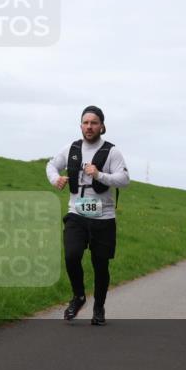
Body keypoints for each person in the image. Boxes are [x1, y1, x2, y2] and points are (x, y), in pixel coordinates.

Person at [46, 106, 130, 326]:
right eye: (85, 122)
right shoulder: (72, 148)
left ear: (102, 126)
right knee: (71, 255)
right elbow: (51, 165)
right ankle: (79, 296)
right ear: (81, 125)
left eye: (94, 123)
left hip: (103, 217)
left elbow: (124, 180)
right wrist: (55, 179)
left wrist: (99, 175)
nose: (89, 126)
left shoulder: (112, 152)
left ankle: (99, 307)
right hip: (76, 213)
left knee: (100, 265)